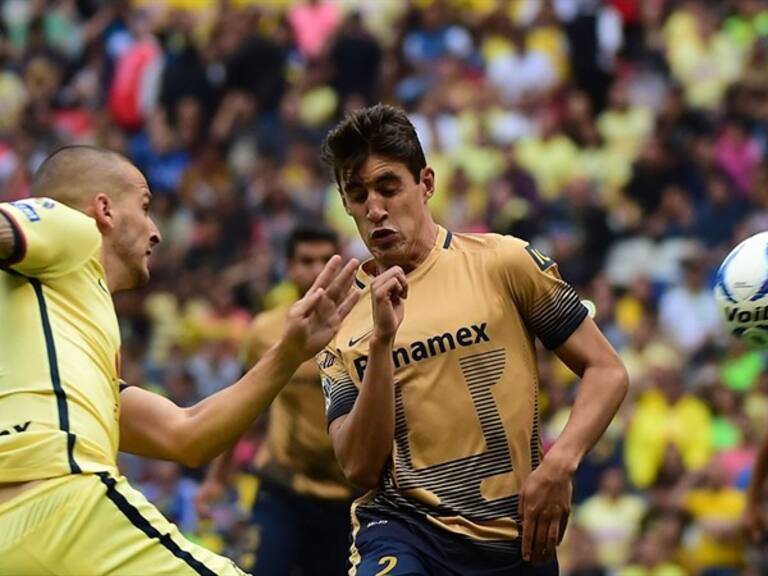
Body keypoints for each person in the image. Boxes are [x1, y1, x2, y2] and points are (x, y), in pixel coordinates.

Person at [0, 145, 359, 575]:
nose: (156, 231)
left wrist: (288, 353)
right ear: (104, 210)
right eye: (145, 206)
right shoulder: (72, 228)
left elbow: (186, 435)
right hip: (59, 503)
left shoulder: (60, 347)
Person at [317, 104, 628, 575]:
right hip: (406, 531)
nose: (375, 208)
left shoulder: (503, 263)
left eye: (388, 187)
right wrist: (382, 342)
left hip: (516, 539)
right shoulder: (340, 320)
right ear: (345, 203)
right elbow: (359, 467)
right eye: (357, 194)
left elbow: (607, 370)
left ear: (426, 183)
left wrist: (560, 464)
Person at [196, 225, 357, 576]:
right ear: (289, 266)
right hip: (283, 489)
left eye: (324, 260)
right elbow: (242, 406)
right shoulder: (265, 331)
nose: (315, 271)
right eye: (305, 261)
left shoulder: (368, 326)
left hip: (351, 498)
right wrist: (217, 477)